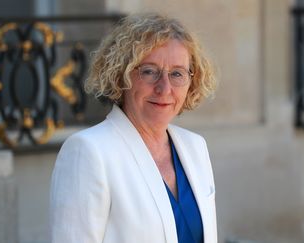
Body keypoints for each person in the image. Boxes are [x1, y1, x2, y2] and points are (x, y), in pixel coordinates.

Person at [50, 13, 217, 243]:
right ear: (121, 76)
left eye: (177, 73)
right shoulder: (88, 151)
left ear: (191, 81)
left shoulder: (195, 147)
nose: (164, 87)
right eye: (149, 71)